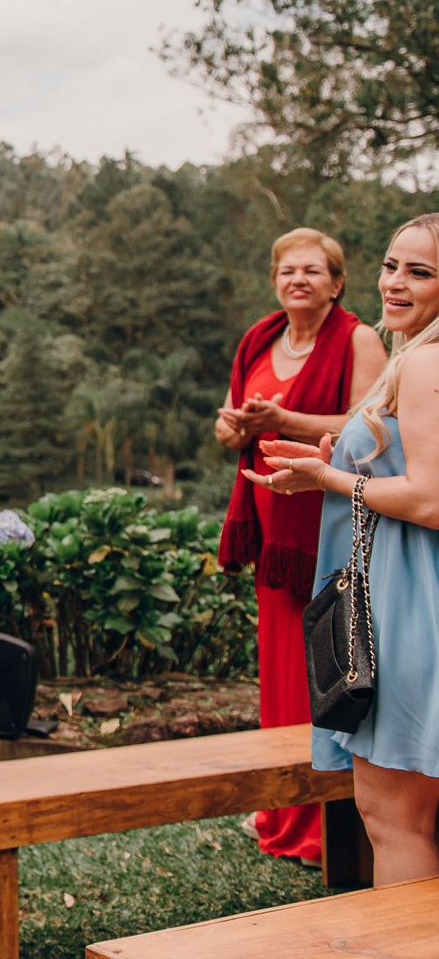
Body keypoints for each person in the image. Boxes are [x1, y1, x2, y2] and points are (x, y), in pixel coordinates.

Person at [258, 212, 439, 885]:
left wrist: (329, 477)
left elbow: (430, 498)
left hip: (412, 602)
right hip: (417, 594)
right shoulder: (413, 355)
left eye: (419, 272)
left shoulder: (424, 362)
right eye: (392, 265)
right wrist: (341, 455)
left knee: (394, 817)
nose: (394, 282)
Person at [216, 227, 386, 865]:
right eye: (288, 270)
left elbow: (367, 424)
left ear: (337, 282)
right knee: (280, 675)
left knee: (328, 664)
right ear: (275, 281)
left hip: (331, 528)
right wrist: (236, 423)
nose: (299, 280)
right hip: (274, 541)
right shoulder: (258, 339)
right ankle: (282, 811)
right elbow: (225, 421)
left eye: (314, 270)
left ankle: (327, 821)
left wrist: (282, 422)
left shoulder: (358, 338)